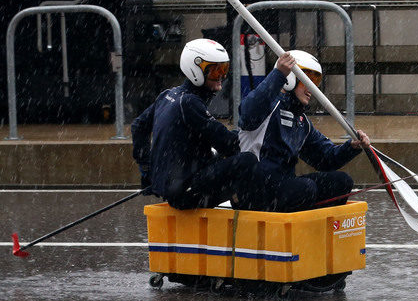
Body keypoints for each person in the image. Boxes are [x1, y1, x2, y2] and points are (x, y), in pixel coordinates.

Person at [236, 50, 370, 213]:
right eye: (307, 81)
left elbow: (326, 159)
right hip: (254, 191)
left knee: (341, 181)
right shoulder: (267, 106)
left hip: (283, 187)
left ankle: (315, 229)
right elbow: (247, 114)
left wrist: (352, 147)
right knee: (306, 188)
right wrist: (279, 74)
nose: (311, 90)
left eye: (315, 82)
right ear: (291, 79)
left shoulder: (302, 122)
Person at [132, 38, 258, 209]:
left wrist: (147, 171)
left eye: (224, 69)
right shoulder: (189, 103)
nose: (221, 76)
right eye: (215, 71)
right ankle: (247, 213)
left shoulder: (169, 95)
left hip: (177, 185)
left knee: (226, 153)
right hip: (186, 194)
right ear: (195, 70)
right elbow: (228, 144)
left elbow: (138, 126)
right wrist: (252, 135)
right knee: (248, 161)